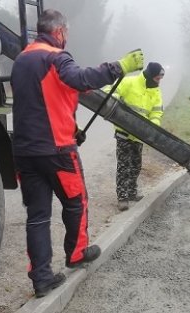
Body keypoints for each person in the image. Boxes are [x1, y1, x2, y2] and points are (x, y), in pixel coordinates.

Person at [10, 9, 144, 297]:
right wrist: (118, 66)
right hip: (57, 151)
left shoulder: (22, 59)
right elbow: (80, 79)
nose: (66, 39)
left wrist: (73, 128)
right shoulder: (56, 57)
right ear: (59, 32)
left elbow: (42, 103)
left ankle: (42, 278)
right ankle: (77, 253)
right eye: (66, 34)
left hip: (24, 151)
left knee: (37, 216)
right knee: (76, 202)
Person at [112, 62, 165, 211]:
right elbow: (110, 91)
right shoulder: (130, 81)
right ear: (150, 75)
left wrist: (154, 124)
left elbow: (156, 111)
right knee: (124, 165)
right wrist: (115, 101)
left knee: (136, 165)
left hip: (140, 135)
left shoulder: (156, 91)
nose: (158, 81)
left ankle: (131, 192)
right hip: (123, 131)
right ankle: (122, 198)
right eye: (157, 78)